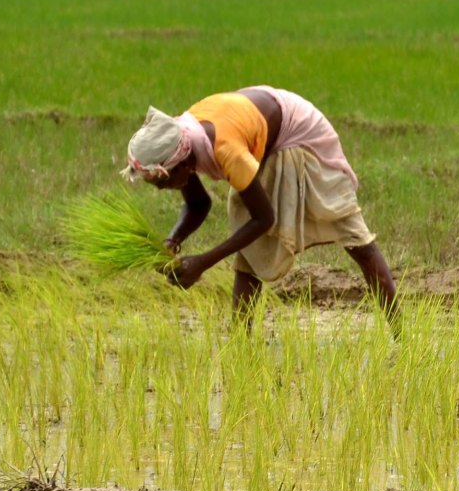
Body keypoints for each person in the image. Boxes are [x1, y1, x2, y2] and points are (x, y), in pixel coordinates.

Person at [122, 86, 398, 324]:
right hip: (262, 138)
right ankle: (242, 349)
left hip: (298, 133)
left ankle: (404, 339)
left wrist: (203, 263)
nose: (160, 189)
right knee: (249, 250)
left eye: (160, 182)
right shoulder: (182, 143)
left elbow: (264, 218)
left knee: (355, 237)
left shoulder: (223, 150)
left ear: (180, 165)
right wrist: (173, 239)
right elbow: (198, 204)